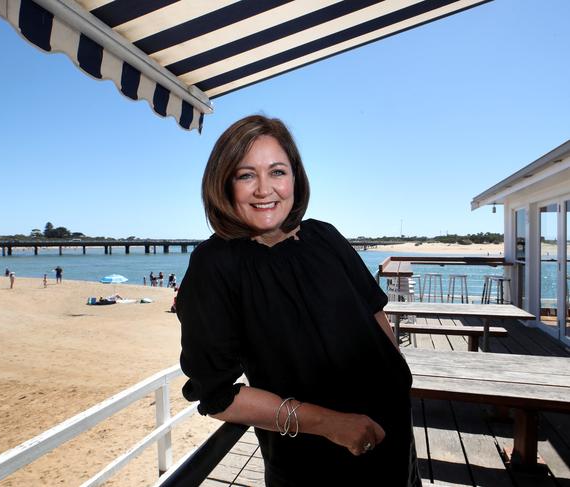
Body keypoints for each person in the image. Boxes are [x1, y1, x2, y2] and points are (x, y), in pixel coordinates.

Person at [176, 115, 419, 486]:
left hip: (394, 434)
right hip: (314, 463)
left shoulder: (325, 236)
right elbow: (218, 396)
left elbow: (373, 311)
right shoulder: (215, 265)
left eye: (277, 172)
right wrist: (330, 424)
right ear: (224, 184)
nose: (264, 189)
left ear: (295, 178)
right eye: (246, 175)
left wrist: (398, 375)